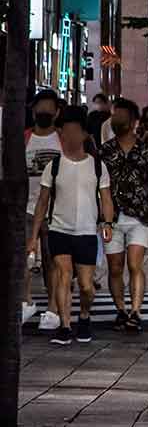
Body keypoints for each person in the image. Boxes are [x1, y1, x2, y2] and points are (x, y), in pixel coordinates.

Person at [28, 105, 114, 345]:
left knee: (87, 286)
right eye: (66, 131)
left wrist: (107, 223)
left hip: (87, 231)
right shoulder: (53, 167)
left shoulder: (97, 166)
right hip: (59, 230)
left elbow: (106, 198)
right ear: (61, 133)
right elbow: (42, 202)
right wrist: (34, 235)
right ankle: (65, 326)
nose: (71, 136)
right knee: (63, 275)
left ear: (85, 134)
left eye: (76, 131)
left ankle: (84, 315)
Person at [101, 98, 148, 332]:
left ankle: (136, 311)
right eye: (115, 116)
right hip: (110, 216)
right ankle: (120, 309)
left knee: (135, 264)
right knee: (115, 267)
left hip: (140, 216)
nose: (117, 121)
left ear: (134, 121)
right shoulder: (105, 151)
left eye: (122, 117)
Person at [22, 90, 64, 329]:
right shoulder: (24, 138)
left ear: (57, 112)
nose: (44, 112)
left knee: (52, 261)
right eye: (40, 108)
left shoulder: (62, 139)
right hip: (25, 208)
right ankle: (25, 301)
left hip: (56, 211)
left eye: (49, 108)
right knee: (22, 259)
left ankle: (52, 308)